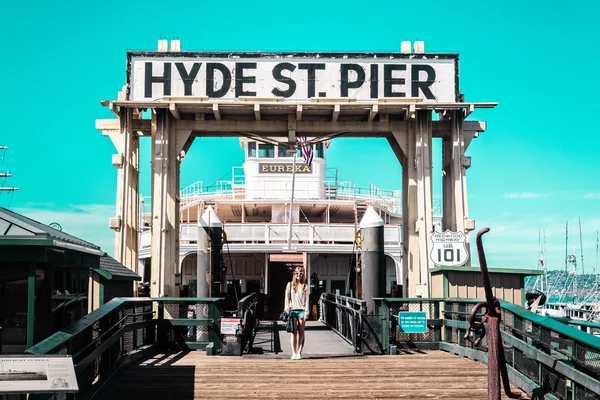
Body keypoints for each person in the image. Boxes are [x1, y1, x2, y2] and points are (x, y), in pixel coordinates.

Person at [284, 267, 310, 360]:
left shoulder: (305, 286)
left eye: (301, 273)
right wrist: (286, 307)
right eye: (297, 273)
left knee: (301, 331)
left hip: (302, 310)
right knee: (293, 332)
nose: (299, 275)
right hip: (293, 310)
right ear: (294, 274)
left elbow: (307, 300)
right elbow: (287, 298)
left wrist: (307, 312)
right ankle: (294, 353)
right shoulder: (290, 285)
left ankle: (299, 352)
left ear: (303, 275)